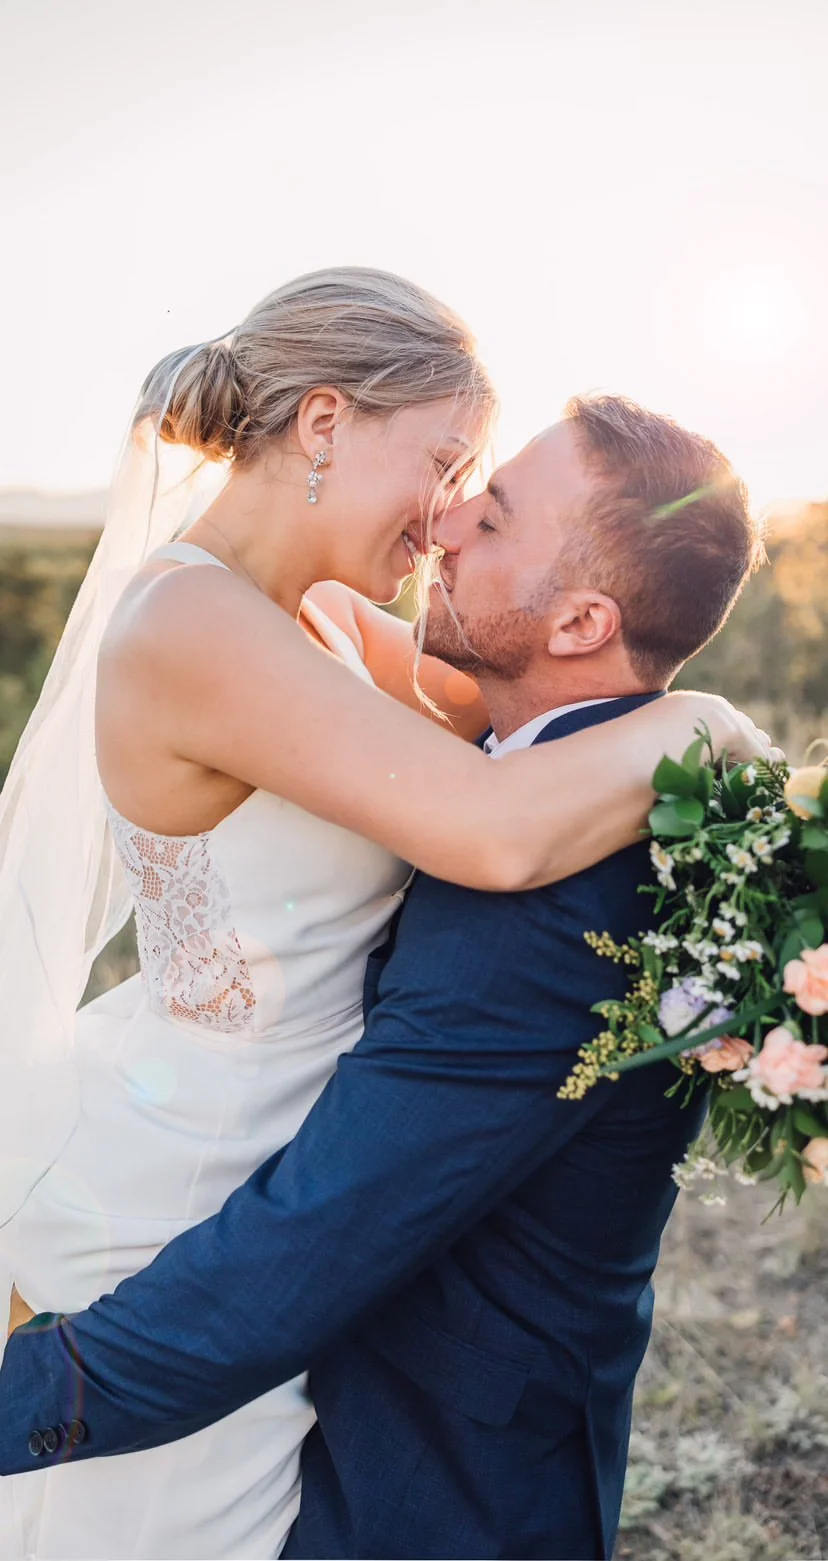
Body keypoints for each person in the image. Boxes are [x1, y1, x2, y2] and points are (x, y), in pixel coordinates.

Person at [0, 374, 769, 1560]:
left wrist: (27, 1394)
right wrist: (698, 718)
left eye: (494, 512)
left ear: (579, 625)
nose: (447, 522)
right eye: (458, 480)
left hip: (439, 1486)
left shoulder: (560, 890)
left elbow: (311, 1247)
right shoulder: (524, 763)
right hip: (315, 1329)